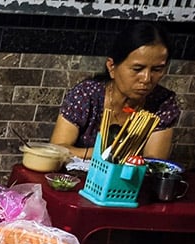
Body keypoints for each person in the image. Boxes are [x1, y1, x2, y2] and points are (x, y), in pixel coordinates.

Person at [50, 22, 180, 160]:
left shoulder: (162, 103)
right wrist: (105, 154)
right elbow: (57, 149)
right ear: (112, 67)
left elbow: (154, 162)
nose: (147, 79)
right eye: (137, 69)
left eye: (157, 70)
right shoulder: (87, 95)